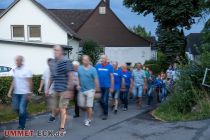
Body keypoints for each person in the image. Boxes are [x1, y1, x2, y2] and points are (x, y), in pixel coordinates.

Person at [45, 45, 74, 134]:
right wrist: (47, 89)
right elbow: (52, 76)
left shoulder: (66, 61)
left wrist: (70, 90)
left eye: (57, 50)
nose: (55, 52)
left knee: (62, 108)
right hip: (55, 89)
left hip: (64, 89)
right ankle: (66, 117)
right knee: (54, 108)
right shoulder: (53, 62)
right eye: (54, 50)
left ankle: (62, 128)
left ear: (61, 52)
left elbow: (71, 76)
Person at [7, 56, 33, 130]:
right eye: (16, 61)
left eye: (18, 60)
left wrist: (30, 93)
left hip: (25, 93)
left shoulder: (27, 70)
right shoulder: (14, 69)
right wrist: (10, 91)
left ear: (22, 61)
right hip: (16, 93)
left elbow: (30, 82)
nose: (16, 62)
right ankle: (25, 114)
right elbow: (14, 81)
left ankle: (21, 126)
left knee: (21, 110)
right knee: (15, 108)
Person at [77, 55, 99, 127]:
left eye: (86, 60)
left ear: (89, 61)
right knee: (81, 105)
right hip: (82, 89)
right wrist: (78, 84)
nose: (84, 61)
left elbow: (96, 80)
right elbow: (79, 77)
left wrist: (96, 90)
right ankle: (90, 111)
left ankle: (88, 120)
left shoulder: (93, 69)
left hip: (91, 90)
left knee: (89, 106)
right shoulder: (79, 68)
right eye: (83, 60)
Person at [38, 58, 58, 123]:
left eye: (51, 63)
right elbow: (43, 79)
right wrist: (40, 87)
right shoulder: (46, 70)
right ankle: (55, 112)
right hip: (47, 90)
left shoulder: (55, 70)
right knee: (50, 104)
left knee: (53, 104)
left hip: (54, 90)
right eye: (48, 63)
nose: (49, 64)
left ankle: (53, 116)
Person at [95, 55, 114, 120]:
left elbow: (112, 77)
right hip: (99, 86)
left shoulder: (110, 67)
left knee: (105, 100)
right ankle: (103, 111)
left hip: (106, 86)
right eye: (101, 58)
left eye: (103, 58)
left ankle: (105, 114)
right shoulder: (97, 66)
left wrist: (112, 87)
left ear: (106, 59)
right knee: (100, 100)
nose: (102, 59)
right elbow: (95, 76)